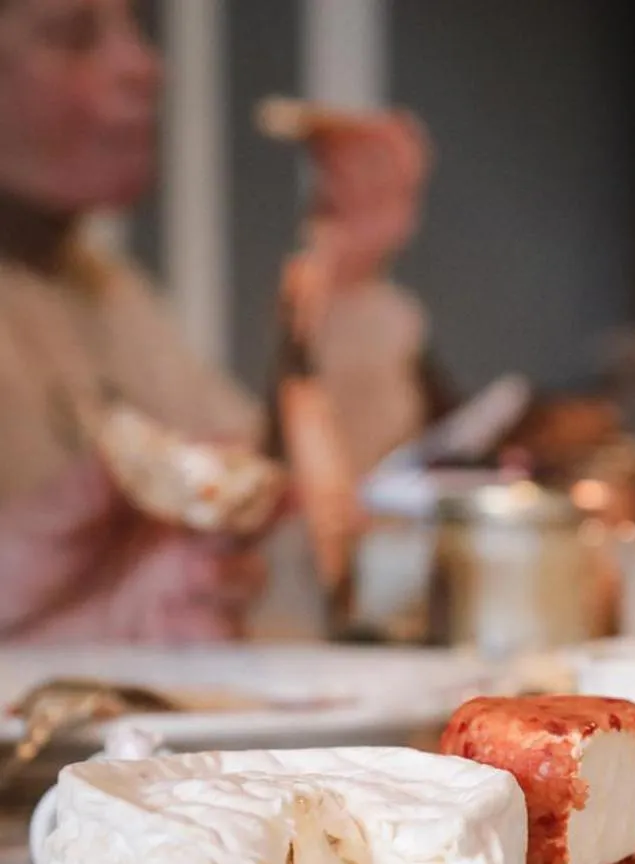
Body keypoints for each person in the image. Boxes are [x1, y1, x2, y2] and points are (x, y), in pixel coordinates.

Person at [0, 0, 430, 642]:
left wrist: (345, 277)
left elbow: (283, 519)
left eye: (134, 29)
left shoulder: (97, 288)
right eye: (72, 36)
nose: (144, 65)